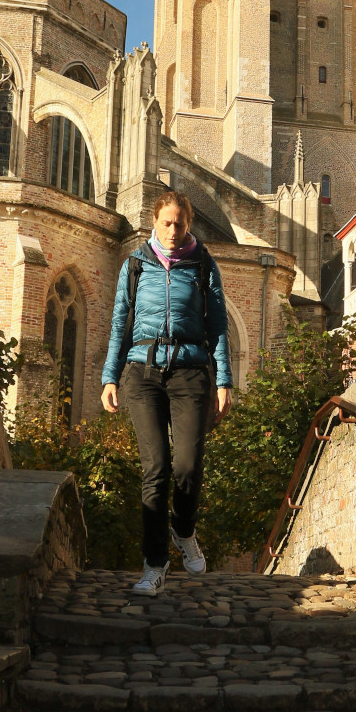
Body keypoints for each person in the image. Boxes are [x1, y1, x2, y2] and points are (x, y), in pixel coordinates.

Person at [101, 191, 234, 595]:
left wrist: (224, 380)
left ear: (189, 223)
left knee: (188, 466)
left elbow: (218, 328)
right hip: (142, 372)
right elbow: (119, 321)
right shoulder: (135, 265)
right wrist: (110, 376)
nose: (173, 230)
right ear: (154, 223)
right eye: (166, 223)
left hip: (191, 372)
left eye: (180, 223)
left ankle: (184, 529)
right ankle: (154, 564)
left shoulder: (203, 265)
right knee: (155, 468)